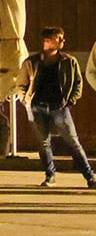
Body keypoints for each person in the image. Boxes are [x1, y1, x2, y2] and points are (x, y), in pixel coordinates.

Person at [21, 26, 94, 189]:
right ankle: (50, 176)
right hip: (37, 107)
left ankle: (89, 176)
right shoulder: (31, 63)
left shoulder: (69, 61)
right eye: (58, 38)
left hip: (59, 106)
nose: (63, 41)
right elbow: (21, 84)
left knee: (73, 142)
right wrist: (25, 101)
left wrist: (71, 100)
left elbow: (77, 83)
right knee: (43, 143)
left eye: (62, 38)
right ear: (47, 41)